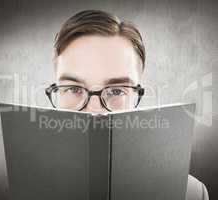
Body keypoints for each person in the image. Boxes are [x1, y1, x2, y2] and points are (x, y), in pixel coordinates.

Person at [45, 9, 209, 200]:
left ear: (137, 98)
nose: (95, 111)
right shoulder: (27, 186)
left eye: (116, 91)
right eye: (74, 89)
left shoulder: (191, 194)